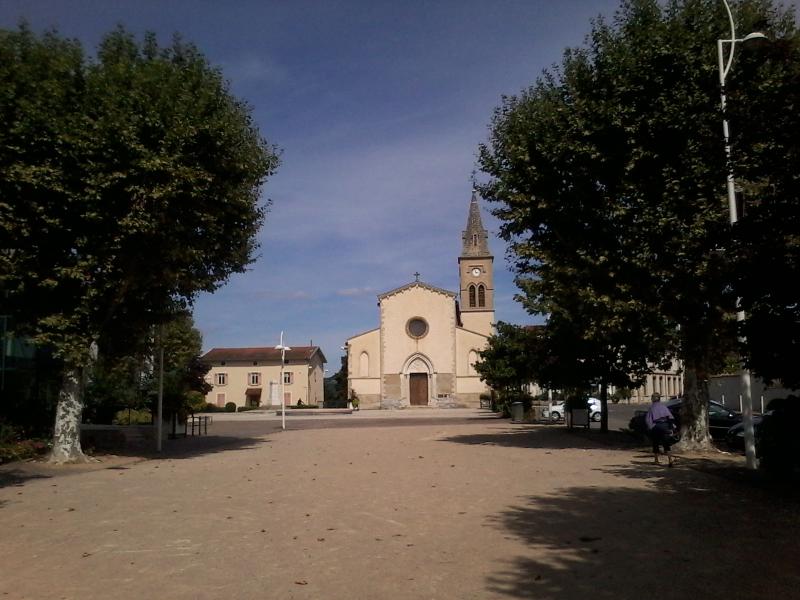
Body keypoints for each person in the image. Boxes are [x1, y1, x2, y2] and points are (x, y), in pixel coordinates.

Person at [645, 393, 676, 467]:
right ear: (659, 399)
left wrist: (650, 427)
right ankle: (670, 460)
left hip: (656, 426)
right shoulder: (663, 407)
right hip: (664, 425)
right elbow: (670, 417)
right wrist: (671, 427)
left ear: (652, 399)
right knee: (666, 443)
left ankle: (656, 460)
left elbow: (648, 420)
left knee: (655, 443)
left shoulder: (651, 408)